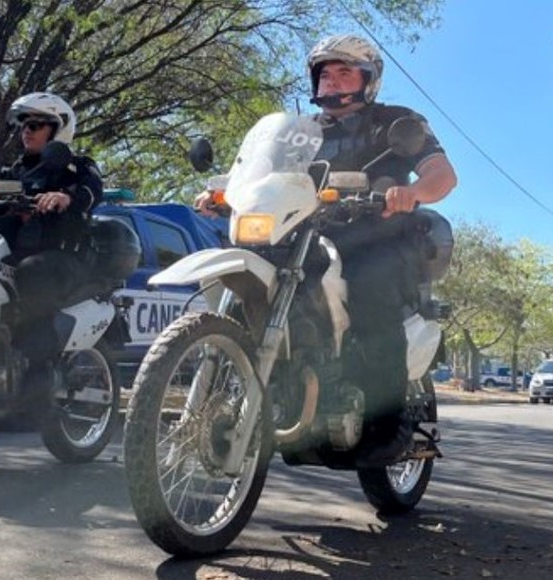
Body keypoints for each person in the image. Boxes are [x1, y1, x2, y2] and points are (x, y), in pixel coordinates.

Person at [195, 34, 457, 467]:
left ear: (368, 79)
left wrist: (411, 193)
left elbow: (442, 175)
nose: (332, 82)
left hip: (379, 236)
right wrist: (223, 193)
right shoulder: (304, 133)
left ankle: (389, 431)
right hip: (305, 236)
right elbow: (261, 176)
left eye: (344, 72)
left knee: (372, 287)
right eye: (325, 74)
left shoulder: (396, 122)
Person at [0, 92, 103, 367]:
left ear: (57, 128)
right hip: (16, 252)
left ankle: (37, 376)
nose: (25, 131)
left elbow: (91, 191)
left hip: (62, 257)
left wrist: (67, 197)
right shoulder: (12, 172)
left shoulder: (77, 166)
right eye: (23, 125)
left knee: (33, 271)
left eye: (35, 125)